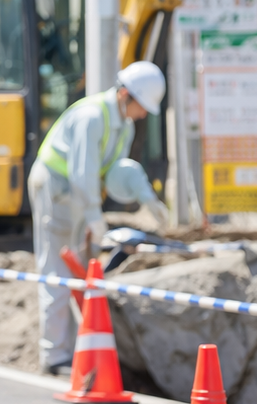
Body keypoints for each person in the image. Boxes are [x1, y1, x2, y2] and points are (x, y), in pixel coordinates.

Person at [27, 62, 165, 375]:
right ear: (125, 95)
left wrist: (146, 196)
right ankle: (54, 354)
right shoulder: (92, 117)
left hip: (77, 195)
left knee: (79, 270)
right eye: (141, 106)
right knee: (57, 270)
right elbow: (82, 172)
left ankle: (77, 348)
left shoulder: (123, 125)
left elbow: (115, 172)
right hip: (57, 190)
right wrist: (93, 216)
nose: (143, 114)